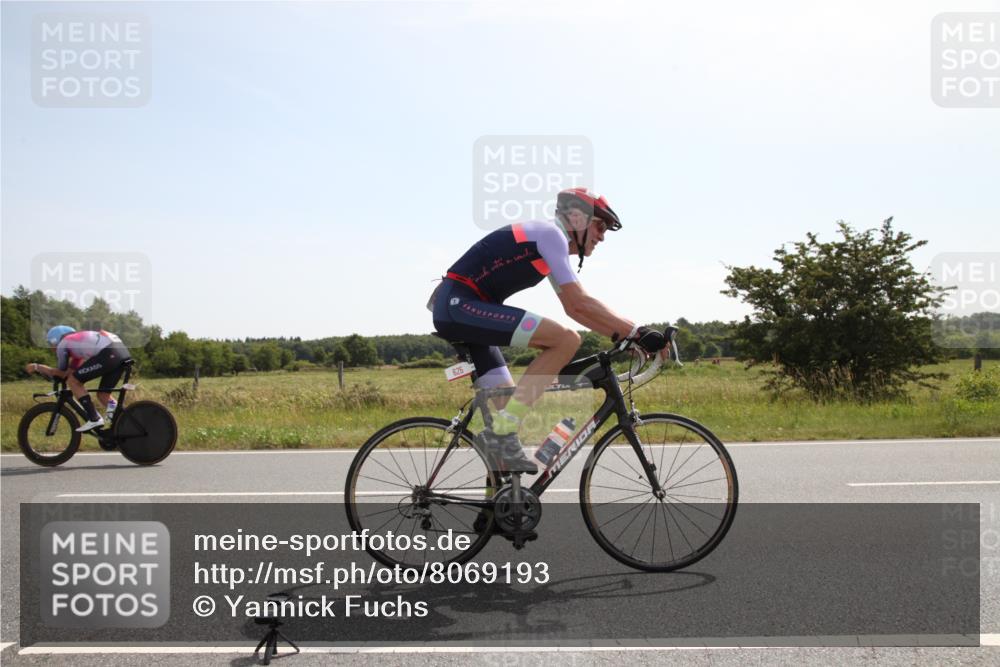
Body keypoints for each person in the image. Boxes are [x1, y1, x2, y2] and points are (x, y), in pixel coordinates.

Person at [431, 187, 667, 473]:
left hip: (463, 309)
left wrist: (626, 335)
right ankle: (498, 436)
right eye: (600, 225)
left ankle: (499, 510)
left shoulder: (547, 244)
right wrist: (636, 332)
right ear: (578, 218)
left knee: (510, 405)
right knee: (565, 340)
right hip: (460, 305)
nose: (602, 236)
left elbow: (574, 306)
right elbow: (578, 304)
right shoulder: (551, 235)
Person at [24, 326, 132, 433]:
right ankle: (125, 422)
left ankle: (94, 418)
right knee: (103, 394)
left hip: (109, 354)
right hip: (121, 354)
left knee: (73, 381)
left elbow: (62, 373)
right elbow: (69, 371)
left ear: (55, 339)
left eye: (50, 344)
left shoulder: (64, 343)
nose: (51, 347)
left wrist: (37, 367)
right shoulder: (77, 347)